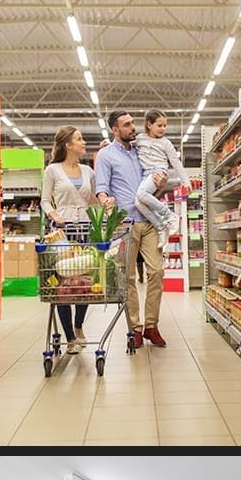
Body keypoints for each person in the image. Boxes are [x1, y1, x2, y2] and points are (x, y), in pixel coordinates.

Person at [94, 111, 168, 348]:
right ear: (115, 130)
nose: (133, 127)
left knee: (156, 271)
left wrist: (161, 185)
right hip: (124, 223)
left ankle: (152, 326)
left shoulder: (141, 151)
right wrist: (105, 200)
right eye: (127, 125)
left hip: (149, 220)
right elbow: (102, 187)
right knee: (128, 277)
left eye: (133, 123)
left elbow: (154, 187)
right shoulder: (105, 155)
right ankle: (135, 328)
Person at [41, 125, 104, 354]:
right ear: (68, 144)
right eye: (79, 139)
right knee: (64, 284)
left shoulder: (88, 171)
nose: (84, 142)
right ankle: (69, 337)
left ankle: (79, 327)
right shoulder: (53, 170)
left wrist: (107, 208)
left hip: (85, 230)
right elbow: (45, 200)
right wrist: (53, 214)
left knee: (84, 282)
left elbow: (95, 200)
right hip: (62, 233)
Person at [134, 109, 185, 250]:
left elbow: (176, 162)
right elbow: (124, 145)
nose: (163, 129)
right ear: (149, 124)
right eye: (159, 125)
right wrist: (107, 145)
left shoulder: (165, 143)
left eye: (165, 126)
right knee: (138, 203)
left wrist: (186, 182)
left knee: (141, 195)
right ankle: (161, 227)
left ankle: (170, 216)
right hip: (146, 174)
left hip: (158, 172)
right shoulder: (140, 139)